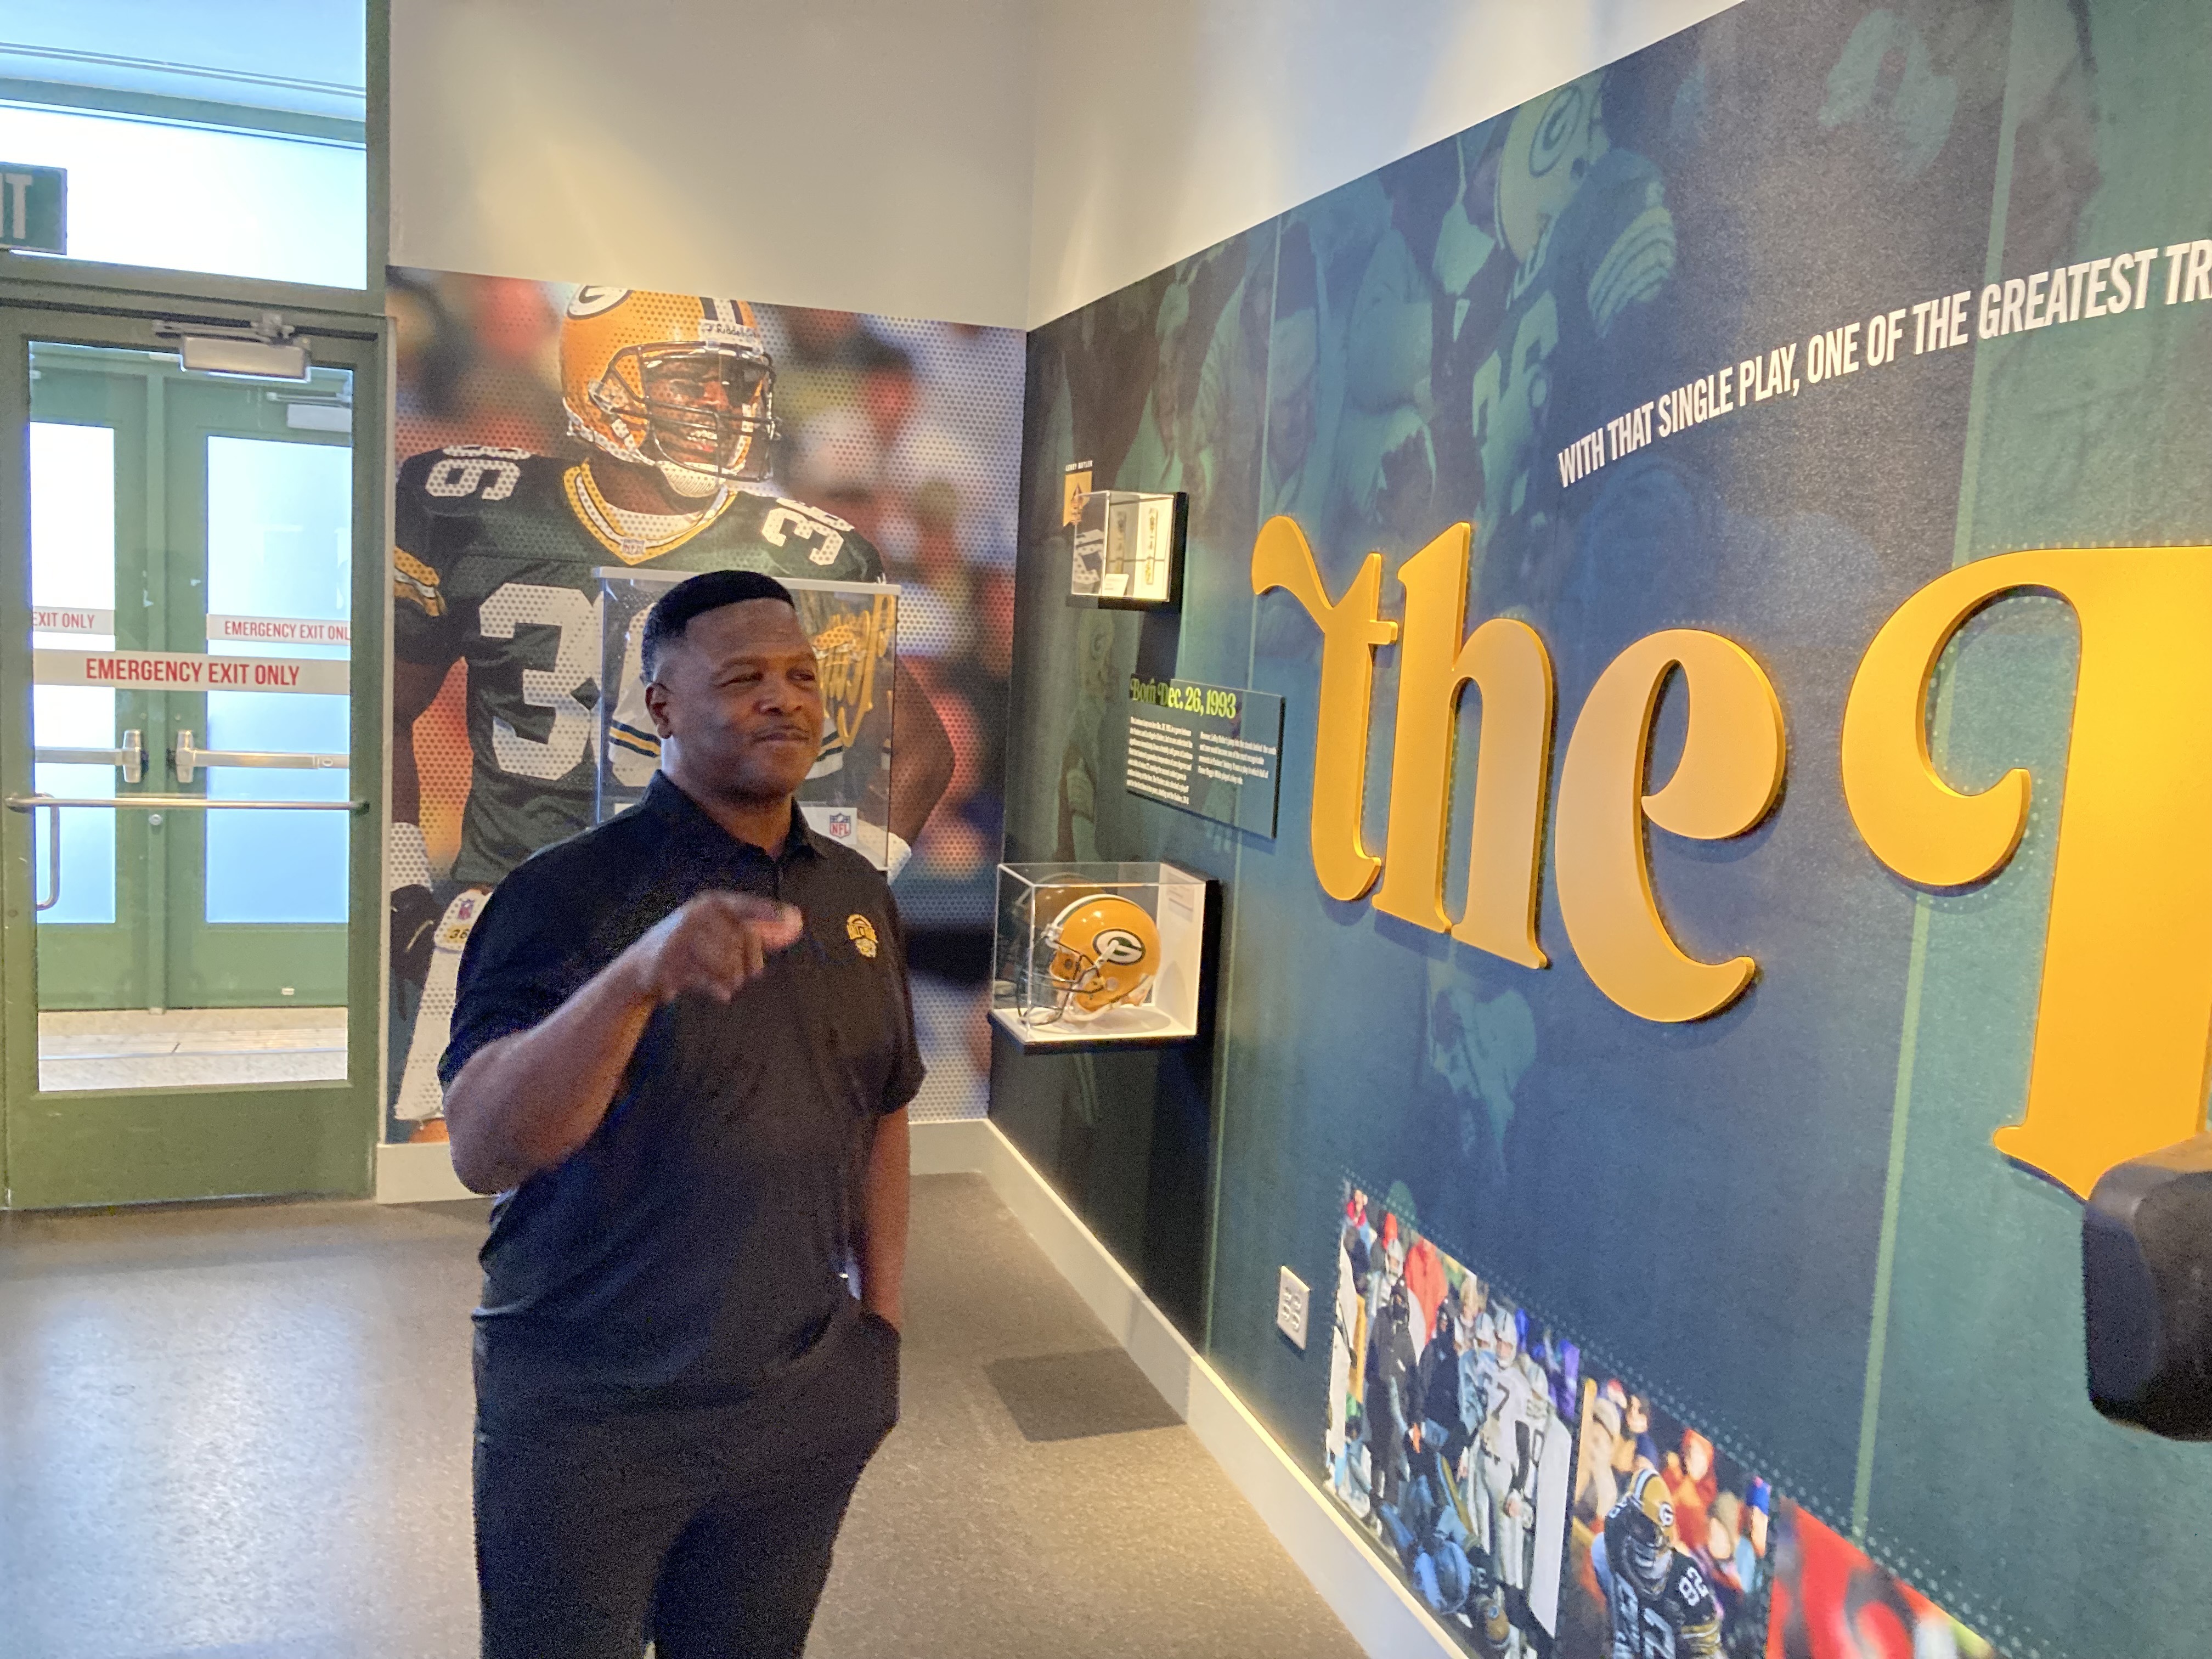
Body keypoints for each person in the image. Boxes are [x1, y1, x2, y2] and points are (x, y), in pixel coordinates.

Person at [442, 569, 921, 1659]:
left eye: (802, 677)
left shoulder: (854, 896)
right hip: (587, 1416)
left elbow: (884, 1108)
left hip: (798, 1404)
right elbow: (484, 1148)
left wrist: (878, 1333)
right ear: (660, 705)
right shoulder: (564, 897)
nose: (785, 699)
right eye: (744, 677)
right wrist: (637, 977)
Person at [389, 287, 953, 1139]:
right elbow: (387, 714)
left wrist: (832, 892)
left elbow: (921, 752)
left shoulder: (799, 552)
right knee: (475, 1164)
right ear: (598, 383)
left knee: (693, 1169)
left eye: (738, 387)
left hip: (701, 925)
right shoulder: (469, 506)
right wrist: (401, 884)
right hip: (510, 912)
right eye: (697, 385)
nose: (726, 411)